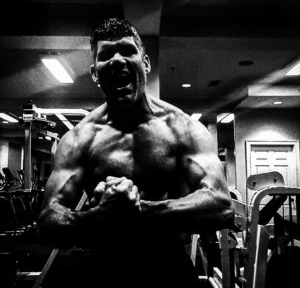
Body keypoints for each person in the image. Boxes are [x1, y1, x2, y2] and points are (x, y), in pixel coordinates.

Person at [37, 18, 234, 287]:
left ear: (146, 63)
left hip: (170, 267)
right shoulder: (78, 140)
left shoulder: (184, 129)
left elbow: (221, 206)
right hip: (107, 268)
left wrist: (139, 210)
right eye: (106, 54)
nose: (118, 60)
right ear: (95, 73)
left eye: (128, 50)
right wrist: (99, 216)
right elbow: (48, 222)